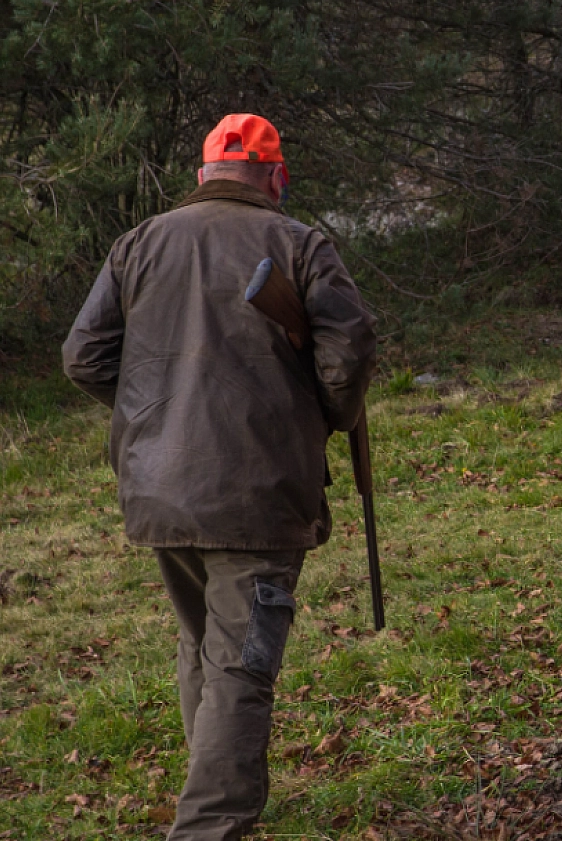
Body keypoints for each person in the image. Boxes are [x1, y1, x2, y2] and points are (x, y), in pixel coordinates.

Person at [62, 114, 376, 840]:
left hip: (159, 490)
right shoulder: (299, 243)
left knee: (204, 642)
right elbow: (351, 344)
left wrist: (155, 418)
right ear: (274, 175)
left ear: (206, 173)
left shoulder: (139, 242)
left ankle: (213, 789)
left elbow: (84, 356)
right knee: (241, 666)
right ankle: (208, 827)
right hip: (255, 494)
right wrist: (325, 413)